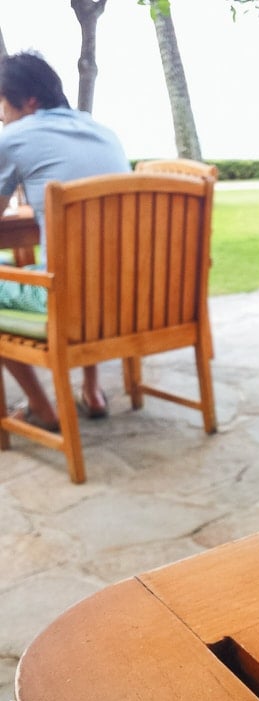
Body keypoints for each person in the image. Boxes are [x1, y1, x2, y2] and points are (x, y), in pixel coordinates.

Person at [0, 51, 130, 430]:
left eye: (2, 104)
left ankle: (42, 407)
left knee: (52, 274)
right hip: (132, 300)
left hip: (70, 302)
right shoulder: (103, 130)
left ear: (29, 101)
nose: (1, 115)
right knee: (85, 262)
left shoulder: (15, 136)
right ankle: (91, 390)